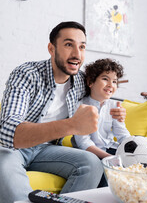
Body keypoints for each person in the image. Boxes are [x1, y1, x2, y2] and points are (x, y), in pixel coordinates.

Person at [0, 21, 126, 203]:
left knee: (91, 163)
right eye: (69, 45)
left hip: (47, 149)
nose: (77, 54)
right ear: (52, 48)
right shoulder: (27, 74)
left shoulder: (82, 81)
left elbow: (102, 93)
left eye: (82, 47)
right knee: (2, 165)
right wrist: (71, 125)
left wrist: (118, 113)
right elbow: (8, 132)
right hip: (11, 149)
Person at [73, 58, 130, 158]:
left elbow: (122, 134)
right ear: (90, 82)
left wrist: (134, 146)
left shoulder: (114, 106)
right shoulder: (80, 106)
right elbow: (83, 142)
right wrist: (109, 158)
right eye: (105, 79)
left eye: (114, 82)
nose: (110, 85)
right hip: (89, 152)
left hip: (110, 148)